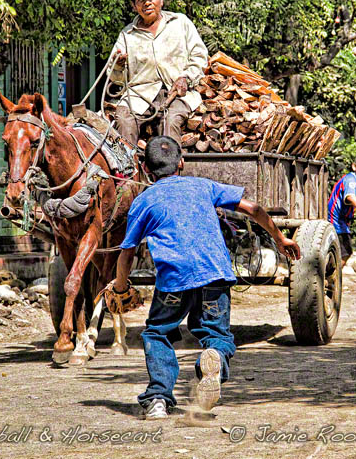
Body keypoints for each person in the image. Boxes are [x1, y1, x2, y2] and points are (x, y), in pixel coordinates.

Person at [114, 136, 301, 420]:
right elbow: (253, 209)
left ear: (145, 168)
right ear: (182, 163)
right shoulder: (203, 186)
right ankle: (210, 360)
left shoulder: (143, 201)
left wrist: (120, 285)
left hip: (174, 280)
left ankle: (158, 400)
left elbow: (127, 251)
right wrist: (280, 239)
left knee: (157, 332)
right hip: (215, 274)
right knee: (216, 334)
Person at [109, 0, 208, 147]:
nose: (147, 3)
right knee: (123, 119)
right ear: (134, 6)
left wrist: (186, 77)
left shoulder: (180, 23)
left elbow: (199, 56)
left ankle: (172, 171)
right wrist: (119, 65)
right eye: (140, 0)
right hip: (140, 95)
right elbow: (114, 77)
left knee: (170, 120)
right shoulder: (127, 35)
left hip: (177, 92)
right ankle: (127, 170)